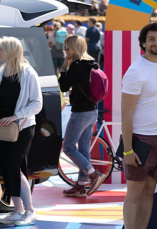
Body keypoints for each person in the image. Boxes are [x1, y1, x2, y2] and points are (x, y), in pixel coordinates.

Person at [0, 37, 43, 225]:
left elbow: (37, 103)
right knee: (7, 168)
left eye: (0, 49)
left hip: (21, 128)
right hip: (1, 129)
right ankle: (17, 210)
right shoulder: (0, 74)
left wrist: (17, 116)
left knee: (15, 168)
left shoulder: (28, 73)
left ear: (9, 51)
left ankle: (29, 210)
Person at [121, 23, 157, 229]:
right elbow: (126, 114)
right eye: (151, 39)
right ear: (143, 43)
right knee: (134, 193)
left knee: (150, 190)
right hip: (140, 140)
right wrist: (128, 150)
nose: (156, 43)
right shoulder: (136, 72)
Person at [59, 34, 103, 197]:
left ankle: (93, 175)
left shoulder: (76, 65)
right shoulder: (93, 63)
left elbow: (63, 86)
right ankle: (81, 184)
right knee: (84, 150)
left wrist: (64, 67)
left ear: (74, 48)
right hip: (93, 110)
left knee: (69, 147)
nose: (64, 51)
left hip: (80, 112)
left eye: (66, 48)